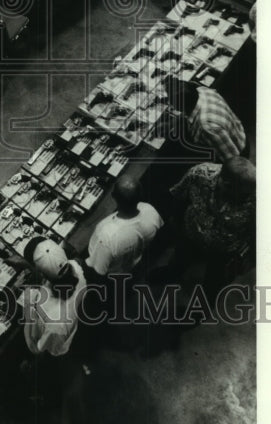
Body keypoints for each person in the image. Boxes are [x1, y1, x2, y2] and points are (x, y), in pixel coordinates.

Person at [168, 157, 256, 297]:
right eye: (243, 195)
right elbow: (179, 195)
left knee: (213, 285)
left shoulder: (258, 200)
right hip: (192, 231)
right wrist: (177, 225)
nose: (248, 197)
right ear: (225, 183)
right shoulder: (199, 174)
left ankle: (199, 313)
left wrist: (246, 262)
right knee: (180, 258)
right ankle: (171, 274)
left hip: (224, 250)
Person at [84, 177, 163, 279]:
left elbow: (98, 271)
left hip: (113, 272)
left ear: (113, 196)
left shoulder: (107, 235)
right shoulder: (150, 210)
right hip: (133, 262)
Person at [22, 237, 87, 358]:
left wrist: (27, 319)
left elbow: (35, 348)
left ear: (42, 274)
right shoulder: (75, 267)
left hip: (59, 344)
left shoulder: (55, 323)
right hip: (73, 320)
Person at [164, 75, 248, 162]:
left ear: (178, 107)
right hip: (238, 133)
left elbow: (233, 160)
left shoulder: (206, 126)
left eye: (171, 101)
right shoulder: (202, 91)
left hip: (237, 154)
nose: (170, 104)